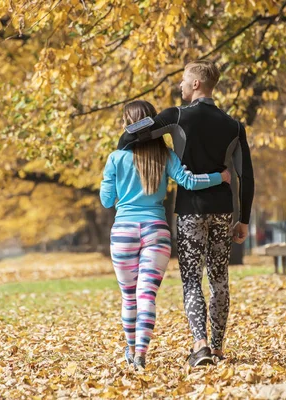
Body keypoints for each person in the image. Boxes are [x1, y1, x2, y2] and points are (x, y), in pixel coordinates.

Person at [118, 60, 255, 367]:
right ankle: (218, 348)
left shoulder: (176, 116)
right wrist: (243, 218)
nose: (179, 86)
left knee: (192, 280)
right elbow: (246, 176)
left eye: (182, 81)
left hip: (190, 211)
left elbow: (132, 133)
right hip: (222, 210)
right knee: (219, 278)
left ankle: (200, 345)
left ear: (195, 84)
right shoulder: (234, 126)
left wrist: (123, 152)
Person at [100, 100, 231, 371]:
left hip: (124, 231)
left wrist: (111, 179)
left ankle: (131, 350)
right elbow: (190, 182)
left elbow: (106, 200)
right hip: (156, 232)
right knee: (146, 296)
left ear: (128, 124)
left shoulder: (115, 158)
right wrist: (221, 177)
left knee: (129, 296)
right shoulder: (166, 155)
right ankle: (141, 356)